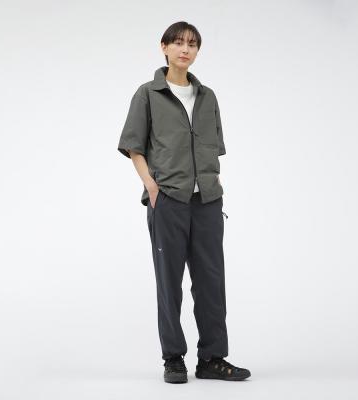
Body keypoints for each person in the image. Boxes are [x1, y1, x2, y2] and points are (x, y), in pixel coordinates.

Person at [117, 21, 251, 383]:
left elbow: (213, 147)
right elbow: (134, 146)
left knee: (211, 281)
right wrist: (151, 186)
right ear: (164, 47)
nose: (185, 49)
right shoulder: (147, 94)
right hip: (168, 199)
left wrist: (213, 184)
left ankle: (212, 359)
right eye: (177, 42)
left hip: (207, 201)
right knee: (169, 281)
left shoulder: (208, 97)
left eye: (192, 44)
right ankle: (173, 358)